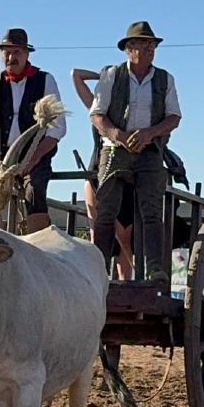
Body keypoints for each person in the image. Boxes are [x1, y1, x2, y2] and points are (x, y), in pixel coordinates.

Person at [89, 21, 182, 284]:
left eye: (151, 44)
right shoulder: (111, 75)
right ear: (129, 49)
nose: (149, 49)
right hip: (115, 148)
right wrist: (118, 135)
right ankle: (97, 268)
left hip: (150, 150)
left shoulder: (165, 78)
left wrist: (150, 133)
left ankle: (154, 269)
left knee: (152, 209)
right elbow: (97, 115)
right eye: (142, 44)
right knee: (106, 208)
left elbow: (174, 117)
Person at [0, 27, 66, 233]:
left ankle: (38, 243)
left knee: (35, 189)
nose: (10, 57)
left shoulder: (45, 80)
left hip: (35, 153)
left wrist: (33, 159)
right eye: (6, 52)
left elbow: (57, 130)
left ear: (26, 53)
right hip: (0, 153)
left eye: (16, 52)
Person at [71, 67, 134, 280]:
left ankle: (128, 285)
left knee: (125, 236)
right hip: (98, 171)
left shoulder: (135, 108)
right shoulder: (97, 108)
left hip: (127, 175)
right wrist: (107, 77)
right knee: (97, 234)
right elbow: (75, 75)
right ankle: (99, 282)